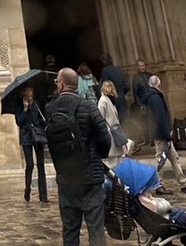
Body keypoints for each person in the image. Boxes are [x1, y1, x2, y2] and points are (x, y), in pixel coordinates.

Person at [44, 66, 111, 246]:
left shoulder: (50, 109)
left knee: (70, 231)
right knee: (96, 230)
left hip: (66, 178)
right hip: (90, 175)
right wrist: (99, 155)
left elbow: (49, 140)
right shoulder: (89, 106)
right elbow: (105, 139)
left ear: (61, 84)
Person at [145, 76, 186, 193]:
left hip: (162, 134)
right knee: (161, 159)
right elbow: (160, 118)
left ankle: (183, 183)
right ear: (158, 85)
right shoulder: (155, 98)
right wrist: (167, 136)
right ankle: (158, 185)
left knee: (174, 158)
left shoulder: (152, 97)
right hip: (161, 135)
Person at [14, 85, 49, 203]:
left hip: (37, 136)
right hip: (26, 136)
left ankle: (43, 195)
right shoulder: (19, 105)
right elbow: (19, 122)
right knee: (30, 164)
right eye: (27, 96)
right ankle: (27, 189)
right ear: (23, 96)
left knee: (41, 164)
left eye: (30, 96)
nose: (29, 98)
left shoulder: (37, 104)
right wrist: (24, 109)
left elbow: (40, 120)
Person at [97, 79, 132, 165]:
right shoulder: (108, 100)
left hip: (112, 132)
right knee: (116, 161)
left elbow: (101, 116)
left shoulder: (106, 100)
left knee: (115, 161)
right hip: (113, 131)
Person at [99, 54, 130, 122]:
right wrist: (121, 93)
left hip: (112, 101)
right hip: (122, 99)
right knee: (124, 123)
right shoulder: (119, 69)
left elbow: (106, 87)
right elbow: (127, 86)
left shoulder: (105, 71)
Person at [131, 59, 152, 146]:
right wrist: (140, 104)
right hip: (143, 102)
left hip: (151, 100)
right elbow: (135, 93)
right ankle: (147, 139)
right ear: (137, 67)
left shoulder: (150, 75)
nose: (142, 67)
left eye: (143, 65)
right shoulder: (136, 78)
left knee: (153, 120)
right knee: (145, 122)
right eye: (140, 66)